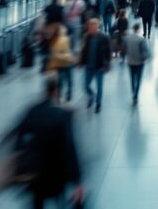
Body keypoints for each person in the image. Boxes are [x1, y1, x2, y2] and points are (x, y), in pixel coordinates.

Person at [16, 76, 85, 209]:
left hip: (35, 173)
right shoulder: (62, 115)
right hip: (56, 173)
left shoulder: (32, 111)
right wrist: (77, 181)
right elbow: (70, 148)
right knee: (60, 201)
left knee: (37, 202)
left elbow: (19, 138)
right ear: (56, 91)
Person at [79, 18, 111, 113]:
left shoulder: (103, 37)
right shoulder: (86, 37)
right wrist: (81, 61)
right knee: (85, 85)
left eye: (93, 26)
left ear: (97, 27)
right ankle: (91, 95)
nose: (91, 28)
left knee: (99, 86)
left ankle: (98, 103)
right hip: (89, 65)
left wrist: (108, 64)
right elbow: (84, 50)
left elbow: (108, 52)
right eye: (90, 26)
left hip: (99, 66)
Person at [123, 24, 150, 105]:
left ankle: (133, 91)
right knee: (138, 79)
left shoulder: (127, 38)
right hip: (139, 62)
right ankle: (136, 95)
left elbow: (124, 49)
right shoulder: (141, 39)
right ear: (138, 29)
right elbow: (146, 51)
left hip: (130, 61)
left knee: (132, 78)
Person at [46, 25, 75, 102]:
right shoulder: (67, 39)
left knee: (61, 80)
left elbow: (53, 53)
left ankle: (60, 95)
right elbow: (69, 50)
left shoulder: (54, 41)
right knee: (68, 80)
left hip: (59, 63)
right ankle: (68, 93)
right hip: (66, 62)